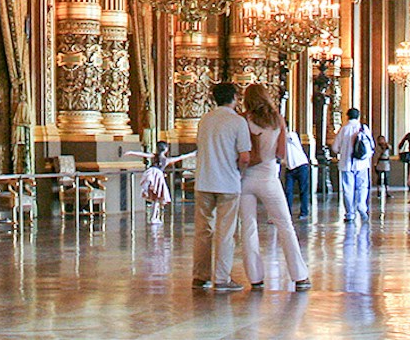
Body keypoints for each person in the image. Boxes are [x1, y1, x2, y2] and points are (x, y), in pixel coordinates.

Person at [236, 83, 312, 291]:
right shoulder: (277, 119)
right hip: (269, 177)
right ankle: (299, 276)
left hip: (246, 178)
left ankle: (255, 278)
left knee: (248, 228)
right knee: (285, 225)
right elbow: (281, 153)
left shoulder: (243, 119)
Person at [191, 82, 251, 291]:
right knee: (225, 232)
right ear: (234, 97)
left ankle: (200, 276)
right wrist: (240, 172)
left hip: (204, 181)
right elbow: (244, 156)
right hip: (228, 183)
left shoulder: (205, 120)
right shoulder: (237, 121)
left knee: (202, 230)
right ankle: (222, 278)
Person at [125, 140, 192, 224]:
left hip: (151, 173)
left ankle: (153, 215)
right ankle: (154, 217)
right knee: (156, 199)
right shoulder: (166, 160)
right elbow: (180, 157)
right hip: (158, 176)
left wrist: (131, 152)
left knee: (155, 198)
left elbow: (143, 154)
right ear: (166, 149)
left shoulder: (154, 156)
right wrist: (191, 154)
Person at [330, 107, 374, 223]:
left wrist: (343, 150)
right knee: (362, 186)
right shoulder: (363, 128)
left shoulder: (343, 129)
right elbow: (371, 146)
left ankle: (350, 213)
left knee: (348, 189)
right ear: (358, 116)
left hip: (346, 164)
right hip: (362, 163)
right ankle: (361, 206)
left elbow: (335, 148)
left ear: (347, 116)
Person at [281, 115, 313, 219]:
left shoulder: (292, 135)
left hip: (301, 166)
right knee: (288, 191)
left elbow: (287, 137)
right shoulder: (279, 138)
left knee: (303, 190)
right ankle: (287, 212)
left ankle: (304, 212)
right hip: (290, 168)